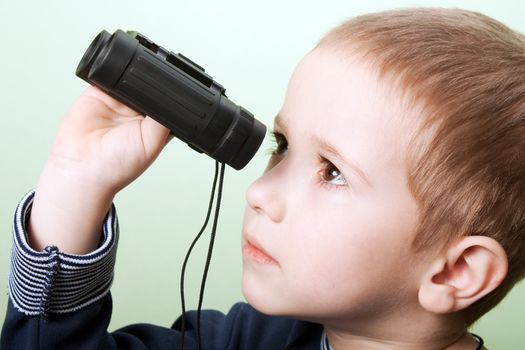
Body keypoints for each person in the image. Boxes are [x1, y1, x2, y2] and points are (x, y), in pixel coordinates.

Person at [2, 7, 525, 349]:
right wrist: (75, 186)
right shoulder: (250, 338)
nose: (258, 193)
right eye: (284, 147)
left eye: (333, 173)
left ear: (456, 272)